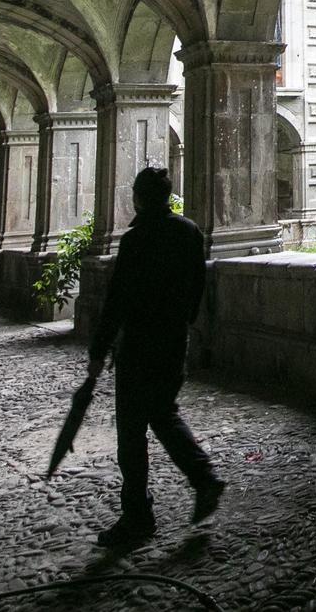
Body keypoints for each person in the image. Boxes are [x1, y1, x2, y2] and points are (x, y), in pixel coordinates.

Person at [88, 166, 225, 546]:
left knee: (132, 433)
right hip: (172, 340)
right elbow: (198, 286)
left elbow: (117, 300)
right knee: (162, 413)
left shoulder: (136, 239)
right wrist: (184, 323)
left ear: (139, 197)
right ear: (168, 196)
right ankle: (203, 478)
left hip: (138, 347)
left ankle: (138, 517)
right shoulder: (189, 232)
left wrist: (99, 350)